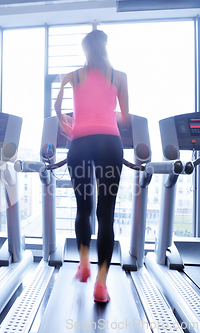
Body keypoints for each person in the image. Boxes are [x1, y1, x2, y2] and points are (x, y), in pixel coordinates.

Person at [55, 29, 129, 303]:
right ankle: (101, 285)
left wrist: (69, 124)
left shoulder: (72, 76)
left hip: (80, 143)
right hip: (109, 143)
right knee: (105, 213)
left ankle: (84, 263)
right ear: (106, 47)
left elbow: (57, 108)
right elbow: (126, 117)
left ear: (84, 50)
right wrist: (106, 115)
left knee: (83, 207)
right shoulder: (118, 76)